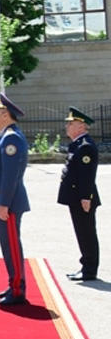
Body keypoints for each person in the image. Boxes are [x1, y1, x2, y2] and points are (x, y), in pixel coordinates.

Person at [0, 93, 30, 307]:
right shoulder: (4, 136)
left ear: (4, 114)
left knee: (12, 245)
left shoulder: (11, 138)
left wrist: (3, 203)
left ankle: (18, 291)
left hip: (6, 204)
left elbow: (10, 176)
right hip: (1, 202)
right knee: (7, 246)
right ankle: (13, 285)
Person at [59, 107, 100, 282]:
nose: (67, 127)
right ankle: (86, 266)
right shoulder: (77, 144)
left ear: (81, 126)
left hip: (82, 199)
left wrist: (85, 197)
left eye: (71, 124)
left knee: (87, 233)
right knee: (82, 233)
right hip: (76, 197)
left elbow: (87, 176)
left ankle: (89, 270)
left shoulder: (85, 147)